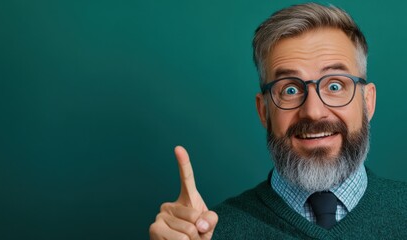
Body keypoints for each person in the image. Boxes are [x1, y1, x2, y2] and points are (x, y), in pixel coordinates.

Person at [149, 3, 407, 239]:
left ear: (368, 102)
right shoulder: (211, 233)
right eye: (290, 90)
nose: (313, 112)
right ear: (264, 111)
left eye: (335, 85)